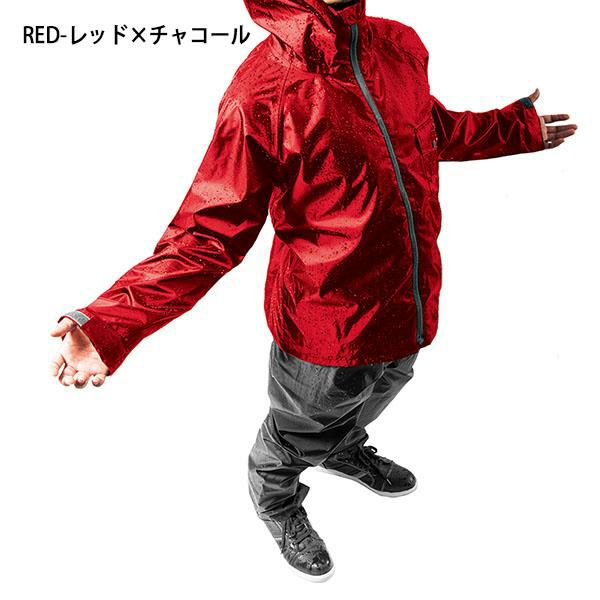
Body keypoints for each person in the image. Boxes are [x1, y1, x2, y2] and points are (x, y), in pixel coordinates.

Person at [49, 0, 577, 582]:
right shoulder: (262, 92)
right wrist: (111, 323)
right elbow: (207, 232)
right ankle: (274, 494)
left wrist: (514, 128)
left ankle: (339, 447)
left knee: (391, 379)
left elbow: (428, 129)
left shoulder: (398, 45)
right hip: (325, 323)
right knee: (301, 424)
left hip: (409, 297)